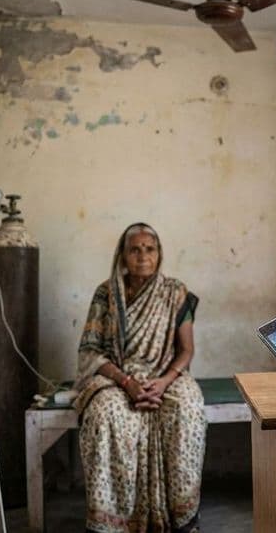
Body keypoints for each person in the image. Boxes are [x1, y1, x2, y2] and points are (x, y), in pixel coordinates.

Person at [75, 222, 205, 533]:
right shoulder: (106, 293)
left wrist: (163, 381)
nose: (143, 256)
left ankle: (182, 517)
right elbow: (91, 351)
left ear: (159, 255)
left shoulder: (175, 293)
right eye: (135, 249)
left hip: (167, 375)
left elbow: (186, 351)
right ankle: (111, 522)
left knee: (187, 408)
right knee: (104, 414)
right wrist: (127, 383)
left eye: (150, 249)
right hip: (117, 376)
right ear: (122, 256)